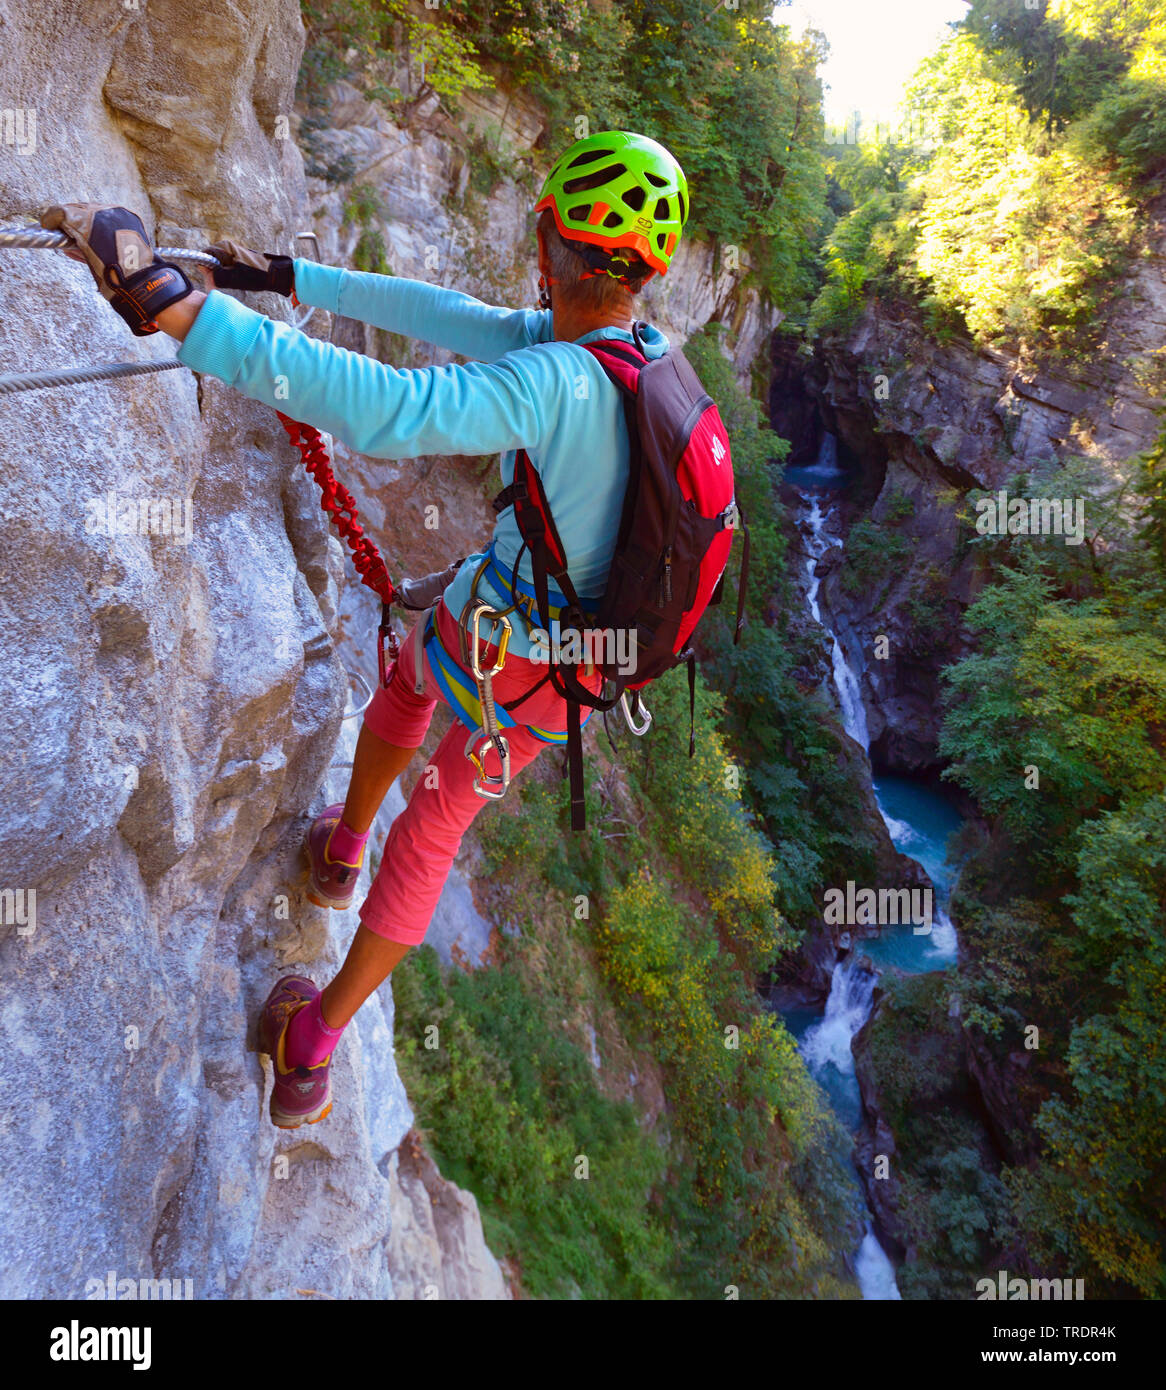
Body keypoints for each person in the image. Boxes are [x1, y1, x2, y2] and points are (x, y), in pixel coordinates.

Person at [44, 129, 689, 1128]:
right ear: (645, 271)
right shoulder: (628, 358)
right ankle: (311, 1046)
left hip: (501, 633)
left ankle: (342, 851)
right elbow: (444, 315)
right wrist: (284, 273)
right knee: (435, 829)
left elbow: (390, 410)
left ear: (548, 240)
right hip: (576, 671)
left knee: (408, 698)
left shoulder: (550, 378)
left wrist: (177, 308)